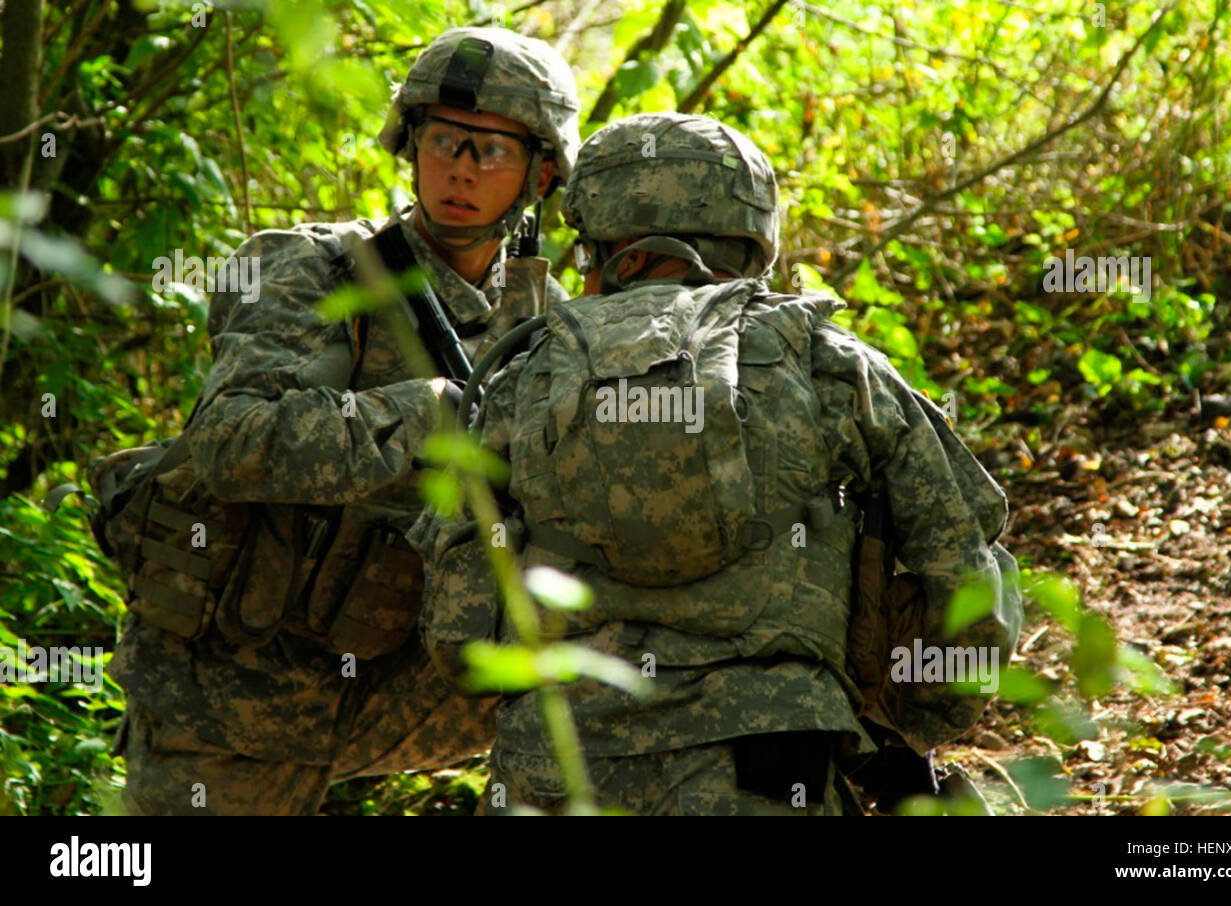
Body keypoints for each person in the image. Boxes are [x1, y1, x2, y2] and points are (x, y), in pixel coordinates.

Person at [418, 112, 1022, 815]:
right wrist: (912, 727)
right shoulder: (825, 362)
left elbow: (458, 631)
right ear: (752, 234)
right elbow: (968, 578)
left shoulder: (519, 379)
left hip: (552, 772)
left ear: (605, 242)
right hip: (771, 763)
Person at [107, 26, 580, 815]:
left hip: (400, 678)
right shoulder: (311, 268)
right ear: (411, 143)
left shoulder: (545, 325)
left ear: (542, 175)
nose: (460, 166)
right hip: (236, 689)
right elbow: (232, 442)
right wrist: (420, 418)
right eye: (442, 140)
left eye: (490, 151)